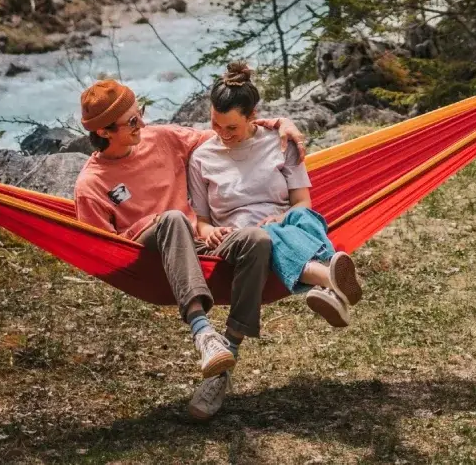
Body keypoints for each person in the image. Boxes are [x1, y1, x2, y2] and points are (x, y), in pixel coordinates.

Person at [71, 78, 307, 414]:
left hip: (197, 246)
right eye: (133, 121)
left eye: (141, 113)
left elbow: (229, 132)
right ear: (105, 132)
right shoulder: (91, 185)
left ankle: (224, 360)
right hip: (147, 259)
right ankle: (202, 332)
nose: (144, 124)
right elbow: (98, 252)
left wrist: (278, 123)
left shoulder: (162, 139)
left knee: (257, 240)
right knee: (171, 220)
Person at [188, 62, 363, 343]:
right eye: (215, 124)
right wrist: (211, 234)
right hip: (241, 240)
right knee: (267, 234)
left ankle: (333, 288)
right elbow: (203, 222)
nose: (223, 133)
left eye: (232, 127)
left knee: (305, 218)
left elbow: (302, 201)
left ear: (253, 116)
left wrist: (281, 218)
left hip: (287, 226)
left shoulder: (280, 144)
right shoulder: (201, 158)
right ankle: (331, 276)